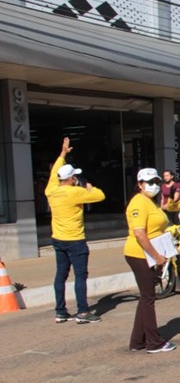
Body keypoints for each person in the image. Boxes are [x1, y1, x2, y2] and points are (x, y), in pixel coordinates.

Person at [44, 137, 105, 324]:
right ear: (71, 179)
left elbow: (55, 171)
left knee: (60, 275)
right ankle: (83, 312)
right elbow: (100, 196)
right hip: (75, 240)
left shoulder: (51, 190)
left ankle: (60, 311)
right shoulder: (75, 192)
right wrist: (89, 187)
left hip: (58, 239)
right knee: (80, 276)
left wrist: (63, 154)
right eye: (74, 177)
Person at [124, 168, 176, 353]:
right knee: (148, 298)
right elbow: (139, 233)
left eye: (156, 182)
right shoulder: (138, 202)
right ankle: (154, 342)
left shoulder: (150, 202)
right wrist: (156, 256)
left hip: (150, 254)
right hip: (140, 254)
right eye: (149, 182)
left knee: (147, 296)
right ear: (139, 184)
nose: (153, 185)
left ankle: (137, 341)